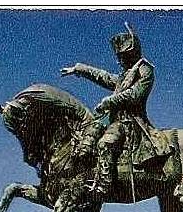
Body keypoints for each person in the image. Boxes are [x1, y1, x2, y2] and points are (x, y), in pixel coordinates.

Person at [60, 22, 157, 197]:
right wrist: (79, 69)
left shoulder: (145, 71)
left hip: (129, 121)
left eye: (122, 56)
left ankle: (103, 188)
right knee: (86, 136)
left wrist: (109, 101)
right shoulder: (125, 74)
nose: (119, 60)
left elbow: (135, 94)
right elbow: (104, 77)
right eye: (118, 56)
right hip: (111, 119)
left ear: (131, 54)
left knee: (105, 143)